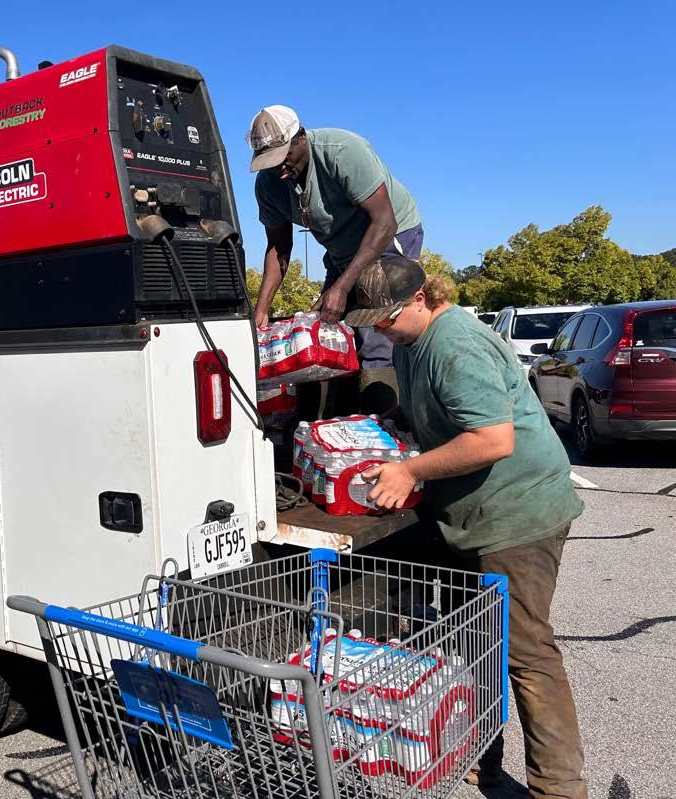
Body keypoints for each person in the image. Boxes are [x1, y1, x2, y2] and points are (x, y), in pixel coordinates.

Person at [346, 255, 587, 799]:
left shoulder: (455, 343)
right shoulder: (413, 342)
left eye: (386, 318)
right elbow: (439, 417)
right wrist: (392, 430)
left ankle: (560, 790)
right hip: (472, 515)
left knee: (524, 651)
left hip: (518, 514)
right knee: (477, 645)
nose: (381, 330)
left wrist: (408, 470)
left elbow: (492, 440)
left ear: (420, 299)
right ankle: (483, 761)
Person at [247, 105, 423, 414]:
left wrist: (341, 289)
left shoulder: (342, 152)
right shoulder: (268, 184)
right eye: (269, 162)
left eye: (283, 157)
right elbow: (278, 247)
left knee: (376, 336)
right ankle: (331, 430)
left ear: (300, 137)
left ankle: (382, 428)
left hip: (387, 239)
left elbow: (384, 223)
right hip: (342, 253)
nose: (279, 169)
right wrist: (261, 311)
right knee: (326, 331)